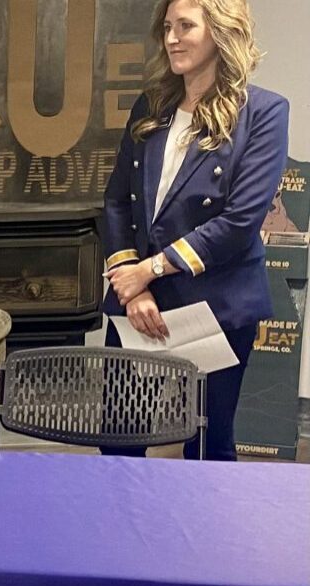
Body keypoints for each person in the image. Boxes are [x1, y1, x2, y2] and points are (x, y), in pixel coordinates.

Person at [101, 0, 288, 460]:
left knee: (207, 447)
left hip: (216, 305)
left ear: (220, 32)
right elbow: (116, 202)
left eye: (185, 26)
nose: (171, 39)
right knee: (118, 439)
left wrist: (149, 271)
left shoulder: (264, 113)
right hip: (139, 306)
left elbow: (240, 221)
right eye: (167, 27)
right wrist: (134, 289)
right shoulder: (151, 106)